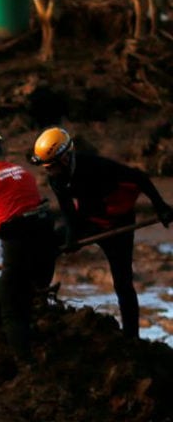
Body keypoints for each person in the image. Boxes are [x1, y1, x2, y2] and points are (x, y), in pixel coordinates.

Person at [32, 127, 173, 337]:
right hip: (88, 221)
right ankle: (40, 300)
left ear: (65, 158)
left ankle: (131, 337)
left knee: (123, 283)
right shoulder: (56, 179)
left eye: (51, 166)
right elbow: (68, 210)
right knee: (49, 246)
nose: (48, 171)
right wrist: (71, 237)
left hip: (118, 225)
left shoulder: (97, 166)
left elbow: (140, 178)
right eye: (45, 166)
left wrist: (160, 207)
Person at [0, 124, 56, 367]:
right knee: (27, 292)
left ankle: (25, 362)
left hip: (19, 240)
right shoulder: (23, 171)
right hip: (45, 235)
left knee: (9, 302)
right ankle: (35, 338)